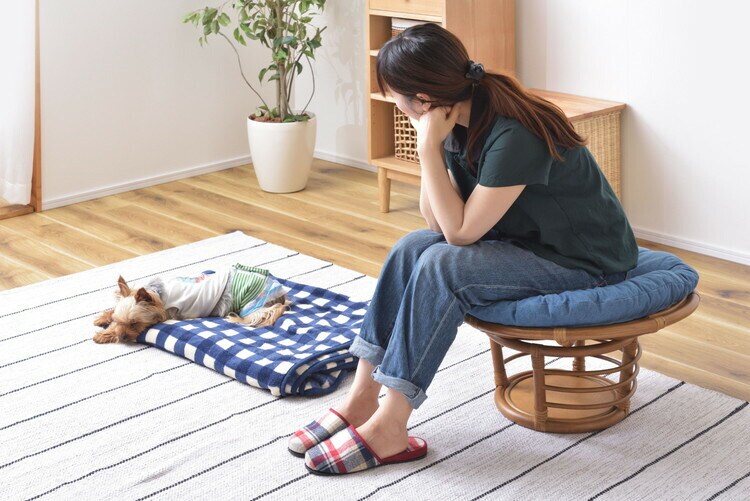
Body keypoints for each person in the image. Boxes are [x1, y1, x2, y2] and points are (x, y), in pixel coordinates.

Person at [289, 23, 638, 476]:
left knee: (442, 265)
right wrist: (432, 148)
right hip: (524, 242)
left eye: (395, 97)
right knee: (413, 247)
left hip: (586, 262)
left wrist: (426, 149)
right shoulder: (459, 121)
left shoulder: (513, 133)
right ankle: (361, 398)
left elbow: (459, 235)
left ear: (423, 100)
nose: (394, 105)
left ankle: (391, 426)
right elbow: (435, 222)